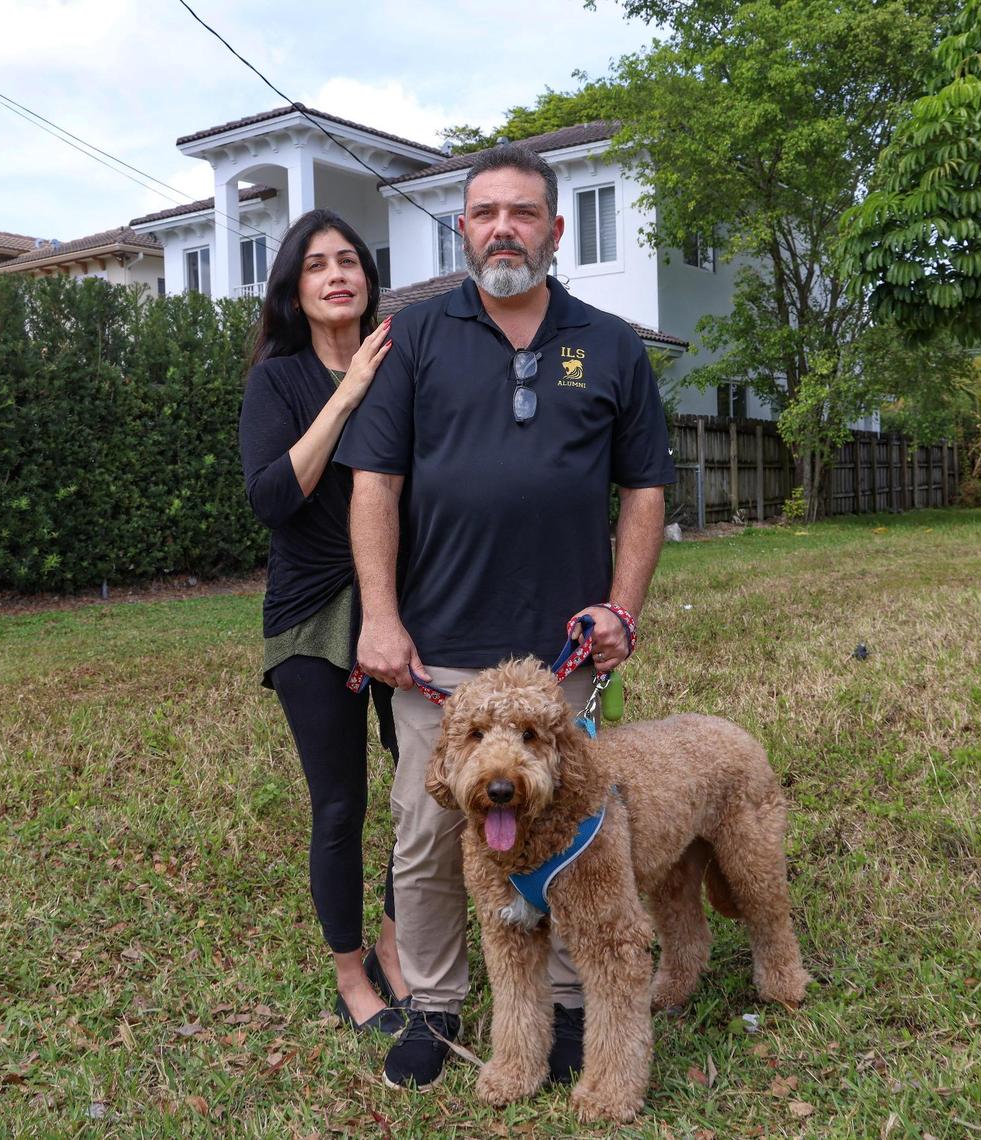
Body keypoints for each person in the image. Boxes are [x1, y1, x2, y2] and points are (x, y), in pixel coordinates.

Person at [334, 145, 674, 1090]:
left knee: (573, 833)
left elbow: (644, 489)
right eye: (484, 213)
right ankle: (435, 1009)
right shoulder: (418, 336)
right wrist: (380, 616)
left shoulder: (609, 344)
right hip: (432, 656)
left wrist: (623, 608)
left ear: (556, 231)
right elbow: (376, 485)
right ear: (462, 227)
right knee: (426, 830)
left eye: (523, 213)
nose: (502, 229)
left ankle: (569, 1011)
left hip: (559, 659)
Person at [238, 208, 409, 1036]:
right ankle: (352, 977)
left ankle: (394, 938)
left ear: (369, 279)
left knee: (425, 792)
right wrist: (346, 395)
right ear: (295, 292)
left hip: (402, 606)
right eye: (317, 266)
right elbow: (274, 498)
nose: (337, 274)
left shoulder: (402, 363)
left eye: (350, 261)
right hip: (311, 616)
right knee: (341, 804)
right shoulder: (279, 381)